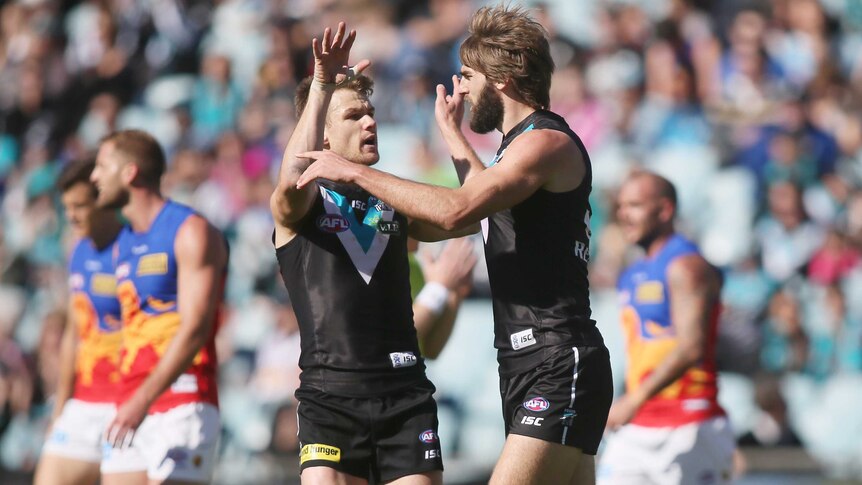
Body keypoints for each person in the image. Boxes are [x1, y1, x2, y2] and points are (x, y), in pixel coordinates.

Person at [295, 6, 613, 484]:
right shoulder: (517, 149)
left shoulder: (545, 141)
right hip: (528, 362)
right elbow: (487, 205)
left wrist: (354, 171)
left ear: (502, 78)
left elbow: (458, 211)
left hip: (556, 356)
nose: (461, 87)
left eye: (468, 75)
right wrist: (453, 135)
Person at [270, 22, 476, 485]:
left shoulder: (391, 202)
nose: (370, 121)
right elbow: (291, 179)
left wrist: (452, 133)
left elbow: (469, 213)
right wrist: (322, 84)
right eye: (353, 116)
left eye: (371, 112)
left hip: (405, 398)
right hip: (331, 400)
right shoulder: (299, 207)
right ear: (321, 138)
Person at [90, 129, 228, 485]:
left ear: (129, 172)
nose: (94, 177)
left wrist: (142, 400)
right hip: (129, 401)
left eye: (102, 165)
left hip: (182, 400)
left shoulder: (190, 230)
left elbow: (196, 328)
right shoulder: (122, 243)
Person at [598, 171, 734, 484]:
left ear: (664, 210)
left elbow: (691, 347)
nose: (623, 215)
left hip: (689, 423)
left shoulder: (686, 267)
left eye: (634, 205)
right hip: (640, 426)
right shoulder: (633, 273)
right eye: (620, 206)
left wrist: (632, 399)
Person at [34, 160, 123, 485]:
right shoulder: (78, 250)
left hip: (124, 402)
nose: (70, 216)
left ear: (103, 200)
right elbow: (75, 330)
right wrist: (60, 408)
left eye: (79, 206)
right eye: (66, 207)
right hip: (83, 402)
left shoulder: (131, 249)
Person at [412, 237, 477, 359]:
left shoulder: (412, 264)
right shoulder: (369, 267)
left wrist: (454, 293)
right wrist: (438, 287)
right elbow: (389, 339)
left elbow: (431, 350)